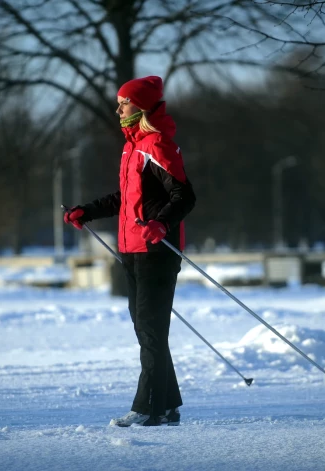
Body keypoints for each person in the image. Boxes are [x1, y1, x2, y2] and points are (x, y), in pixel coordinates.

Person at [64, 76, 196, 427]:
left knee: (151, 332)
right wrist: (87, 211)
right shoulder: (132, 147)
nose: (118, 108)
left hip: (156, 250)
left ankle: (147, 408)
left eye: (123, 102)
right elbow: (127, 200)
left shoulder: (158, 145)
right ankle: (167, 405)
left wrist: (162, 224)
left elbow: (184, 196)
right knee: (147, 331)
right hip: (133, 251)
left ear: (140, 107)